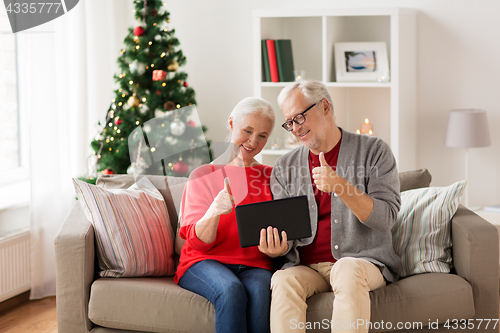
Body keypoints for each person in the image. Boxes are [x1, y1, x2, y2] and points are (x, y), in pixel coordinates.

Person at [259, 80, 402, 333]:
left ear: (325, 106)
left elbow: (385, 219)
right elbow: (286, 235)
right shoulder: (284, 167)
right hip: (306, 268)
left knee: (346, 268)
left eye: (300, 117)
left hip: (363, 262)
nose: (295, 128)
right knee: (282, 279)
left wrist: (341, 186)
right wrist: (277, 248)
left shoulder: (374, 151)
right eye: (289, 122)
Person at [174, 97, 279, 333]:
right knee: (230, 290)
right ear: (232, 123)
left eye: (262, 135)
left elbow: (283, 228)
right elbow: (198, 244)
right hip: (203, 262)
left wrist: (278, 248)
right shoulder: (202, 174)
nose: (253, 141)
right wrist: (214, 211)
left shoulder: (271, 176)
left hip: (255, 264)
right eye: (248, 130)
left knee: (261, 292)